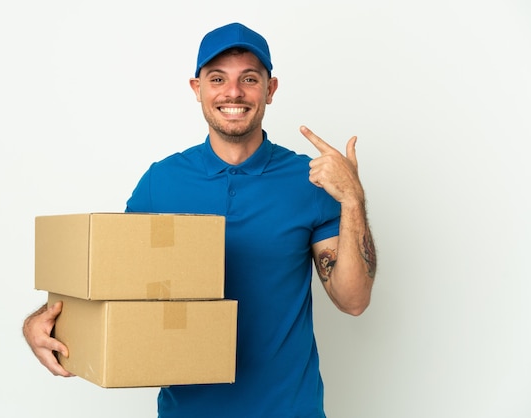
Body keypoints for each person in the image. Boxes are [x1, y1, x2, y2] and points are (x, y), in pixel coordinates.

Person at [23, 22, 377, 418]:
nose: (233, 92)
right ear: (197, 89)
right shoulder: (162, 181)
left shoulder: (308, 180)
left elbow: (353, 300)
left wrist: (352, 199)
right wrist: (40, 320)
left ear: (270, 89)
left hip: (289, 409)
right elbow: (114, 284)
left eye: (249, 78)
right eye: (217, 79)